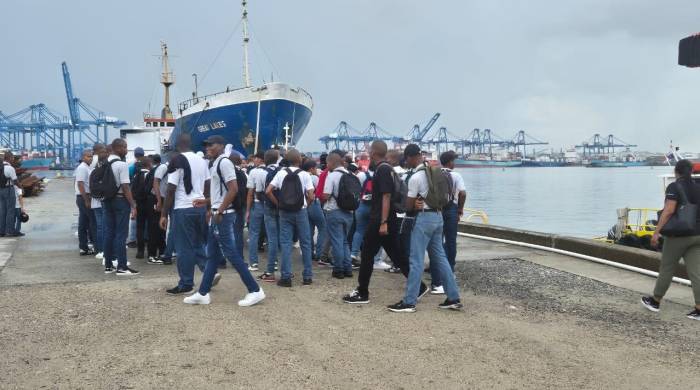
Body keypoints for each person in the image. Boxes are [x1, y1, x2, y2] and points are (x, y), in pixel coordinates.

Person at [183, 135, 265, 306]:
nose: (207, 147)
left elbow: (233, 189)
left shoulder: (224, 163)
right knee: (212, 255)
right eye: (205, 145)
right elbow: (221, 193)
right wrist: (207, 202)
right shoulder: (216, 163)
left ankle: (255, 290)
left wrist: (219, 210)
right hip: (218, 213)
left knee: (231, 254)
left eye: (210, 145)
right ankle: (203, 293)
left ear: (221, 146)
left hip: (223, 215)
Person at [343, 141, 424, 304]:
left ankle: (362, 292)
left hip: (381, 219)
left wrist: (383, 222)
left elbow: (386, 196)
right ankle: (419, 286)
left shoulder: (383, 170)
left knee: (367, 254)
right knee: (397, 255)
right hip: (387, 218)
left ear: (373, 153)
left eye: (369, 152)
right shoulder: (388, 169)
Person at [388, 144, 462, 313]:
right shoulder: (437, 172)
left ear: (411, 157)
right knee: (441, 258)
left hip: (422, 219)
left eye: (407, 159)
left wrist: (413, 203)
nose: (407, 162)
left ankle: (409, 302)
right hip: (438, 216)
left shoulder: (416, 178)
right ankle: (453, 297)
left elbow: (408, 205)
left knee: (416, 261)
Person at [641, 159, 700, 320]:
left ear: (676, 172)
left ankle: (655, 301)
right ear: (691, 171)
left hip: (678, 236)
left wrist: (656, 232)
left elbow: (668, 210)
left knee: (667, 268)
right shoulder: (698, 186)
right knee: (696, 273)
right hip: (697, 236)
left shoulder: (674, 186)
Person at [160, 133, 209, 294]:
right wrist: (207, 206)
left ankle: (186, 284)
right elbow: (207, 184)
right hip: (200, 207)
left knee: (183, 249)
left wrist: (164, 214)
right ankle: (210, 272)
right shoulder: (202, 161)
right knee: (198, 243)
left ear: (176, 145)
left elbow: (171, 189)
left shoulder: (177, 160)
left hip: (183, 208)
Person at [265, 148, 315, 287]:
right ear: (300, 160)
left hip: (285, 212)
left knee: (286, 244)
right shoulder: (305, 174)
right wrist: (306, 205)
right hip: (301, 211)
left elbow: (268, 191)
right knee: (305, 243)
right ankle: (307, 276)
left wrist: (279, 204)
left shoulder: (281, 173)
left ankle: (286, 277)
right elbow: (311, 195)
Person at [430, 150, 467, 294]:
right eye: (454, 161)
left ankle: (436, 279)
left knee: (436, 244)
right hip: (451, 209)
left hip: (436, 209)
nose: (455, 163)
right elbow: (462, 193)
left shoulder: (434, 173)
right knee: (451, 241)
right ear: (450, 161)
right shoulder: (456, 175)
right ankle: (450, 270)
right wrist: (460, 210)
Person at [103, 139, 139, 275]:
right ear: (118, 148)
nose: (126, 150)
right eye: (125, 147)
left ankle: (108, 265)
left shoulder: (103, 163)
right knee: (121, 234)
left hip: (107, 201)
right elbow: (125, 187)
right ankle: (122, 267)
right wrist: (133, 205)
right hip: (119, 201)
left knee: (109, 232)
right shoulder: (121, 165)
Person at [322, 151, 354, 279]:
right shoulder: (350, 174)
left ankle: (338, 269)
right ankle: (348, 268)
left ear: (330, 162)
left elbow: (326, 194)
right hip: (349, 212)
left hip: (334, 211)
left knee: (336, 241)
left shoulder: (332, 176)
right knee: (345, 241)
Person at [258, 149, 281, 282]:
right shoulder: (282, 171)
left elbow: (260, 191)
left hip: (269, 206)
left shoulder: (261, 173)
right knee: (284, 240)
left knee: (272, 239)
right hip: (283, 208)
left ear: (264, 160)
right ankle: (286, 270)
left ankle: (271, 270)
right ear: (277, 158)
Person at [245, 151, 266, 271]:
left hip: (257, 204)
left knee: (253, 233)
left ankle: (253, 263)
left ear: (260, 159)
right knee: (272, 235)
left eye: (256, 158)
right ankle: (273, 262)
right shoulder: (272, 171)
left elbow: (250, 193)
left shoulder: (253, 172)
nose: (254, 160)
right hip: (270, 205)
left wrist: (248, 210)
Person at [303, 159, 327, 262]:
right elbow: (321, 190)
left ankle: (309, 252)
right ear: (312, 168)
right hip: (314, 203)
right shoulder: (313, 177)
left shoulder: (301, 176)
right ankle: (319, 253)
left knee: (309, 230)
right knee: (323, 227)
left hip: (304, 205)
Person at [153, 152, 174, 264]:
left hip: (168, 198)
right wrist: (159, 200)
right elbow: (155, 182)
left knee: (169, 227)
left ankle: (167, 252)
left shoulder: (173, 167)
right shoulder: (163, 167)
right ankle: (165, 252)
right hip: (163, 198)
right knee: (164, 226)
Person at [132, 156, 153, 259]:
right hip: (149, 204)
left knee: (139, 228)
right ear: (149, 164)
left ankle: (140, 251)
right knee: (150, 228)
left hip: (139, 204)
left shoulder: (136, 176)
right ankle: (150, 251)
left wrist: (134, 205)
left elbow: (133, 191)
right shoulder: (150, 174)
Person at [74, 149, 94, 255]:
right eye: (88, 156)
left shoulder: (87, 167)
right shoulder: (82, 168)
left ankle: (83, 247)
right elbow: (80, 184)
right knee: (92, 222)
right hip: (84, 197)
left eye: (91, 156)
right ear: (83, 157)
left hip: (83, 197)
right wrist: (86, 199)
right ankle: (93, 245)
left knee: (83, 223)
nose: (90, 158)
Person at [91, 143, 107, 259]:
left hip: (94, 198)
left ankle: (100, 248)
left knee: (99, 226)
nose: (105, 153)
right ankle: (101, 249)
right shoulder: (98, 162)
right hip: (100, 199)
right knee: (102, 226)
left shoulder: (92, 162)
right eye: (103, 151)